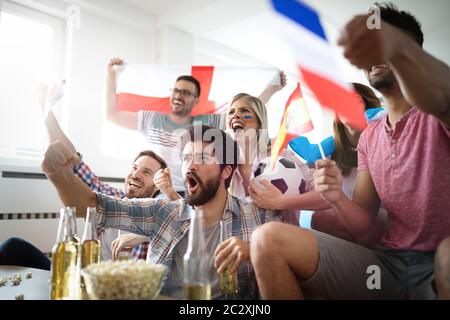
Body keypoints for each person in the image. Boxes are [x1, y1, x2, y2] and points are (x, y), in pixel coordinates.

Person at [250, 3, 450, 299]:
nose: (375, 55)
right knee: (266, 238)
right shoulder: (370, 138)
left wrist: (397, 48)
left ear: (413, 52)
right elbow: (363, 223)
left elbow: (441, 94)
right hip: (386, 268)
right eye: (372, 49)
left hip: (439, 264)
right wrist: (336, 198)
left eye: (384, 44)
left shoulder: (436, 113)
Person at [41, 125, 298, 299]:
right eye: (186, 158)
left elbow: (298, 268)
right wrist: (57, 173)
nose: (190, 165)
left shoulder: (259, 217)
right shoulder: (163, 211)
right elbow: (90, 205)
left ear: (226, 171)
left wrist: (258, 254)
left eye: (202, 158)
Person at [104, 58, 286, 194]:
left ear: (196, 100)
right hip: (152, 191)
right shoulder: (151, 119)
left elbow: (244, 115)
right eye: (175, 90)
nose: (178, 95)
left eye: (185, 92)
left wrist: (271, 89)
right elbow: (113, 114)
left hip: (189, 193)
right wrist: (110, 74)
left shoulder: (205, 123)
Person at [44, 110, 169, 261]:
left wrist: (144, 235)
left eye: (146, 172)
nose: (136, 175)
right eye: (134, 168)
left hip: (118, 282)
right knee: (14, 247)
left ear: (157, 185)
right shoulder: (113, 197)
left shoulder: (158, 210)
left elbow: (175, 216)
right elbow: (73, 162)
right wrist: (48, 118)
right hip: (82, 274)